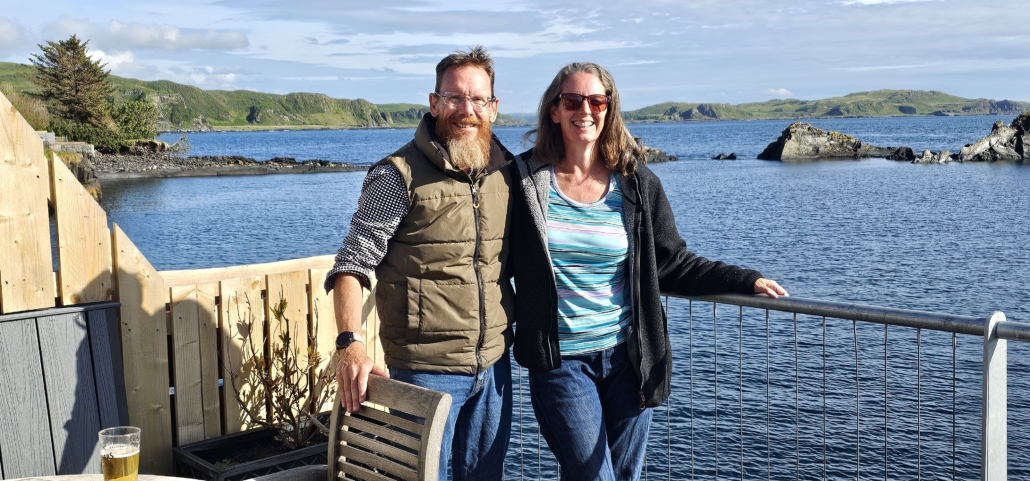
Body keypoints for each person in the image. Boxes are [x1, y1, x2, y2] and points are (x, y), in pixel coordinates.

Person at [510, 62, 787, 481]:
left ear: (610, 108)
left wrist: (744, 280)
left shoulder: (636, 182)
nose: (585, 110)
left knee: (625, 475)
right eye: (572, 100)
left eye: (596, 101)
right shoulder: (525, 181)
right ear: (554, 109)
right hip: (560, 362)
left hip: (629, 360)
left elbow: (671, 261)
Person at [324, 46, 515, 480]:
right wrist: (350, 344)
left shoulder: (505, 174)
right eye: (454, 97)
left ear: (493, 108)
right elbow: (353, 261)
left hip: (494, 367)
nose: (466, 110)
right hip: (425, 374)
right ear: (434, 103)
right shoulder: (396, 175)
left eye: (478, 99)